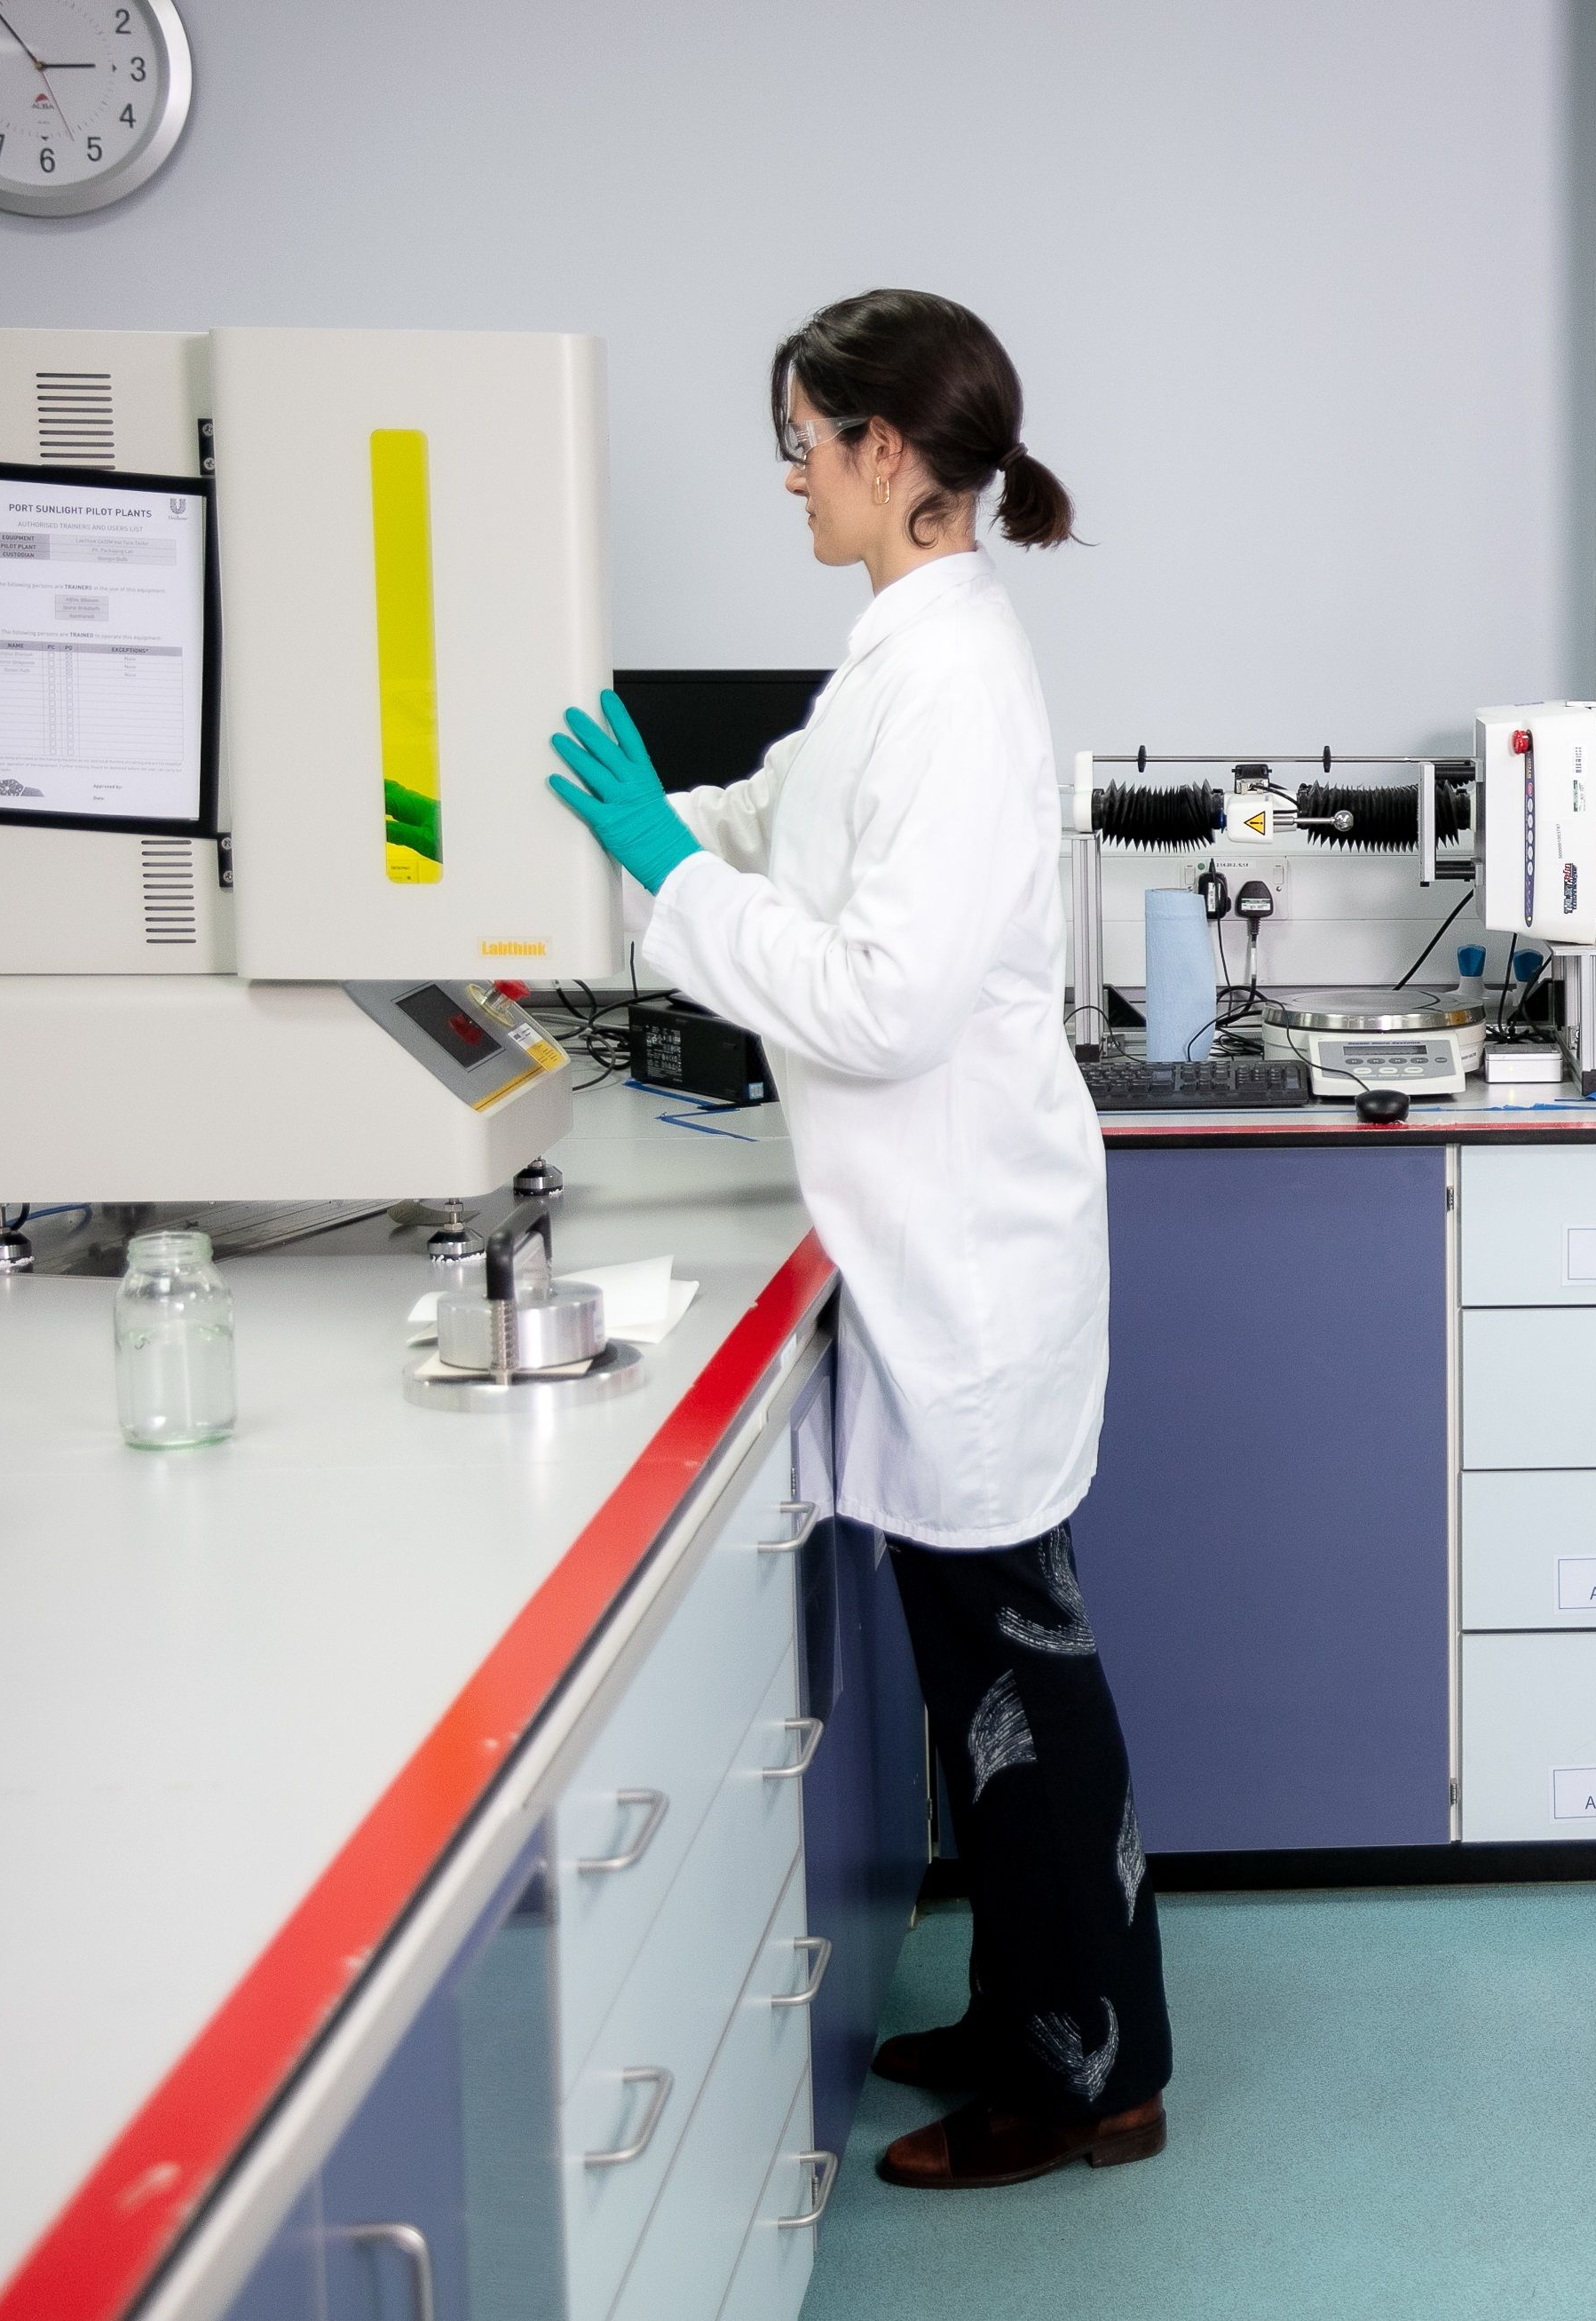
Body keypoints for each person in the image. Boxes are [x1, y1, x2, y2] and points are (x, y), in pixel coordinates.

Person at [543, 289, 1169, 2188]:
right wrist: (665, 824)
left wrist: (664, 877)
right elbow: (795, 819)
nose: (792, 485)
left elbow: (881, 999)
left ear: (887, 451)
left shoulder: (957, 678)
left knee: (1021, 1691)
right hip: (935, 1258)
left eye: (802, 449)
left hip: (968, 1265)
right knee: (985, 1680)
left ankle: (1090, 2081)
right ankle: (1028, 2010)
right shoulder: (903, 654)